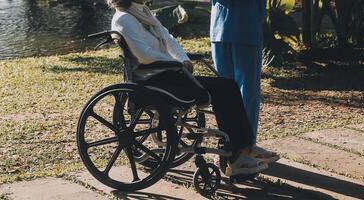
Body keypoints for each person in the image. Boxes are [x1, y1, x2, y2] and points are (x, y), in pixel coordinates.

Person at [106, 0, 278, 176]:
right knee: (224, 90)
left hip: (168, 74)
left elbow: (167, 38)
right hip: (157, 79)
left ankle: (242, 148)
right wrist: (175, 64)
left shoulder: (143, 13)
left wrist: (183, 59)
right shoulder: (124, 19)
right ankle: (238, 153)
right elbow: (144, 55)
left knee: (227, 86)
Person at [210, 0, 279, 162]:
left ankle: (235, 146)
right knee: (240, 92)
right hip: (239, 28)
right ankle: (240, 147)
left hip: (225, 26)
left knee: (232, 92)